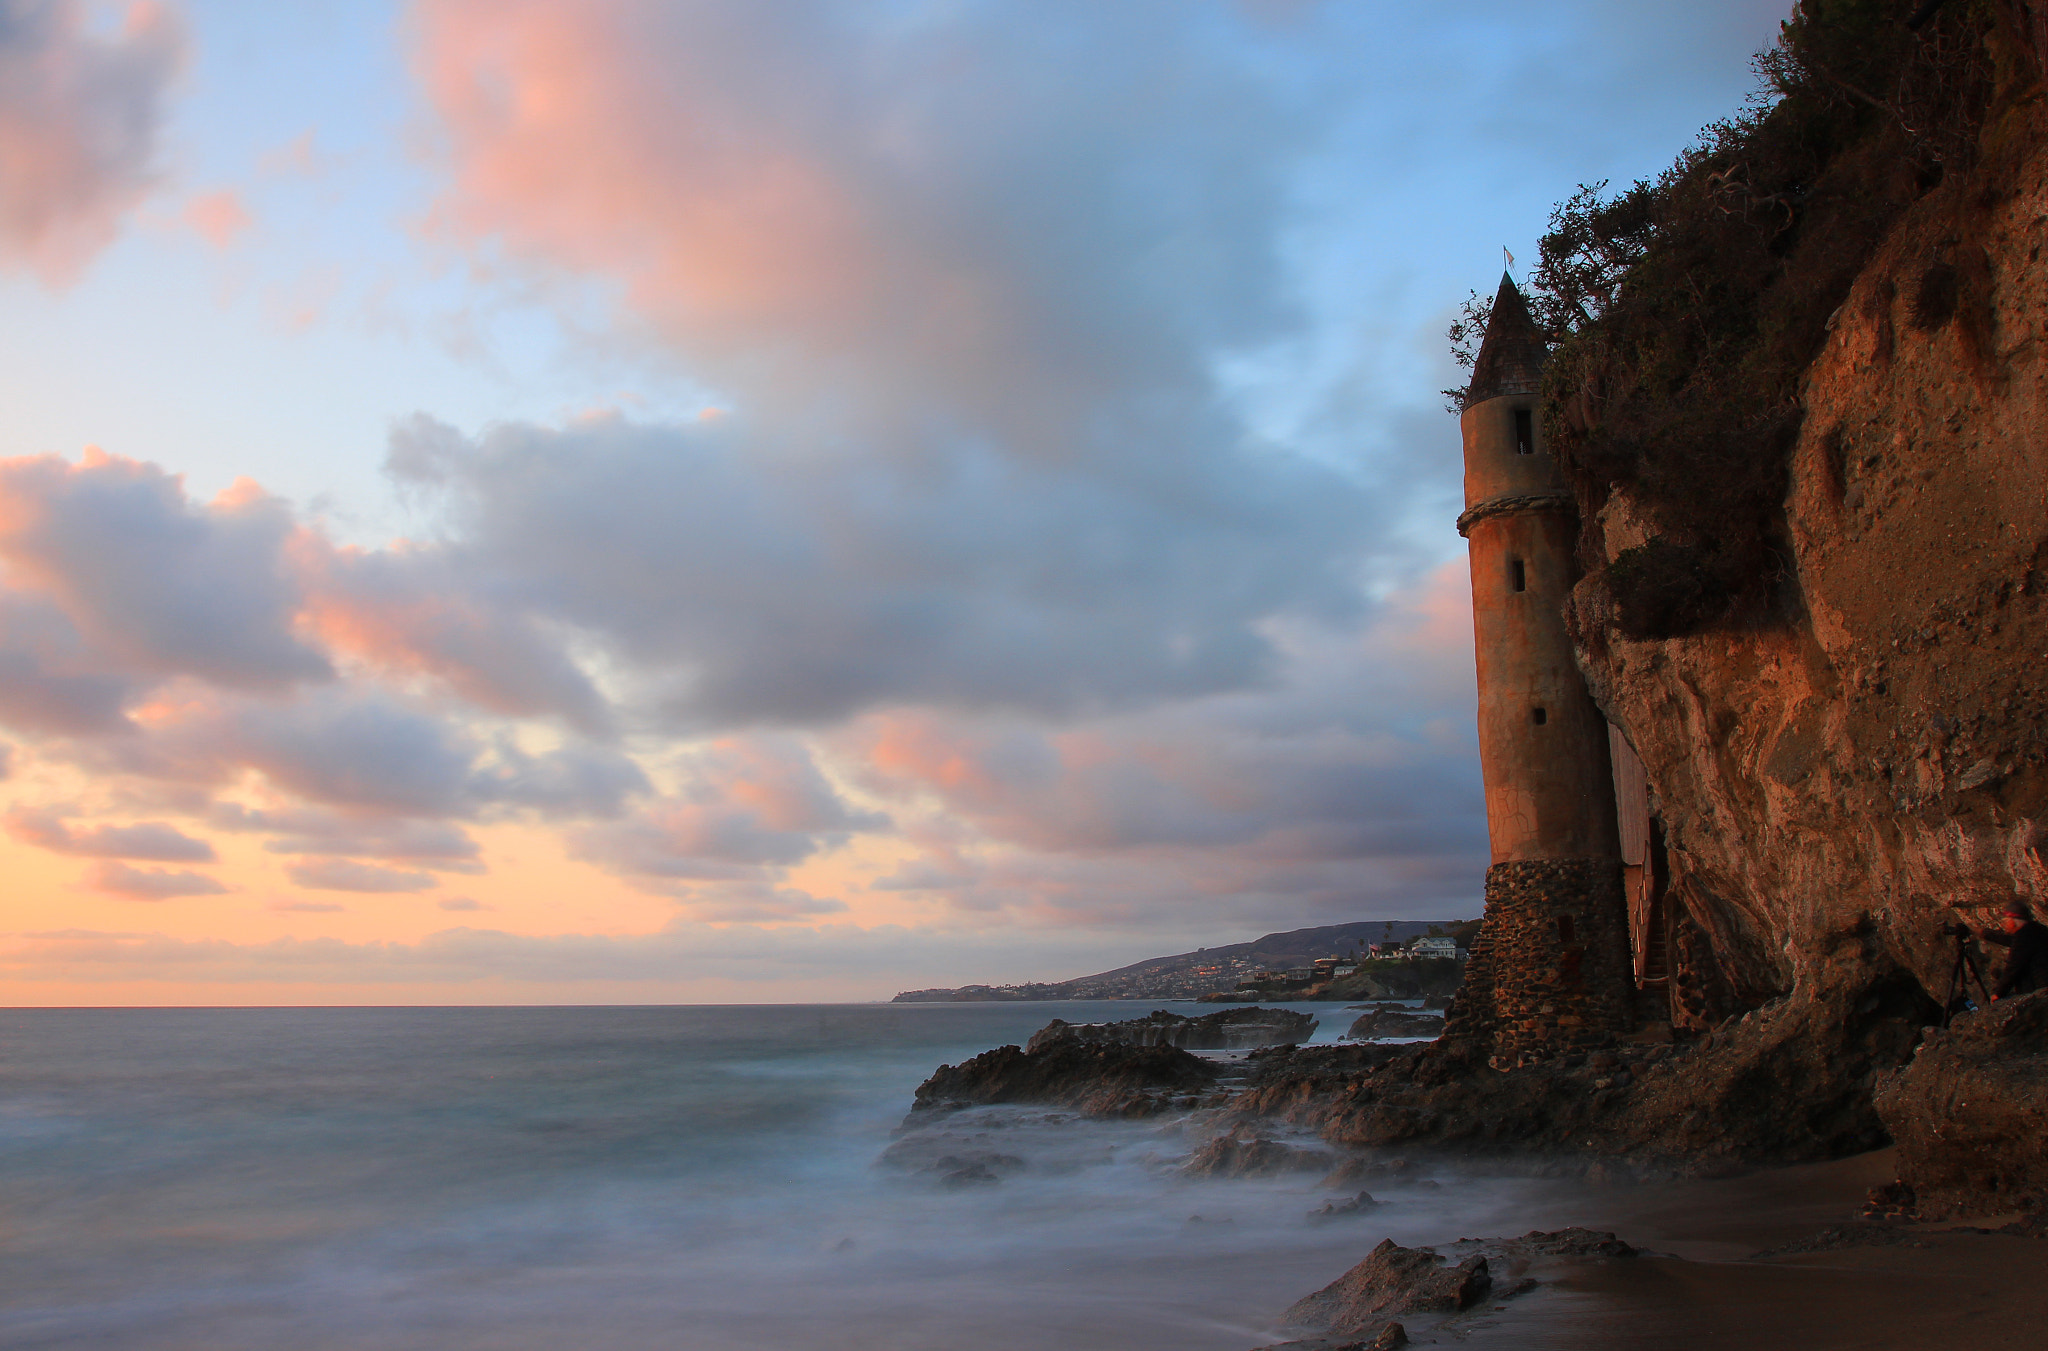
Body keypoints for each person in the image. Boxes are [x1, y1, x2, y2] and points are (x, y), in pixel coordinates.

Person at [1979, 899, 2048, 1000]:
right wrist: (1984, 934)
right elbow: (2009, 940)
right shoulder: (2038, 930)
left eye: (2006, 921)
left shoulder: (2023, 936)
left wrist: (1999, 993)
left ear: (2013, 920)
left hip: (2040, 990)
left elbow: (2013, 967)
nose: (2004, 925)